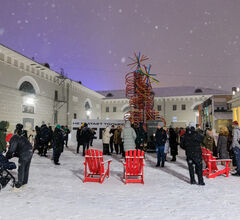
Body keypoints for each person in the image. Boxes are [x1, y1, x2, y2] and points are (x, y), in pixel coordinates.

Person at [6, 123, 33, 188]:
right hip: (30, 151)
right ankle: (24, 182)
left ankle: (19, 184)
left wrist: (8, 155)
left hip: (24, 153)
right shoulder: (21, 137)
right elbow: (18, 149)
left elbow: (12, 149)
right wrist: (13, 155)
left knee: (21, 168)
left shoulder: (13, 138)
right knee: (26, 167)